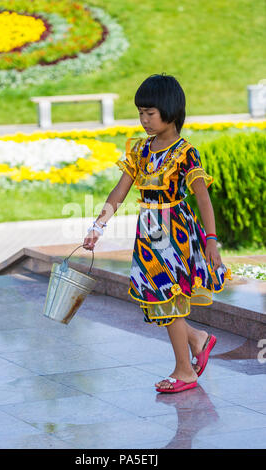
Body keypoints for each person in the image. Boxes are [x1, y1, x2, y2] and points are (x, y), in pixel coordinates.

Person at [83, 74, 232, 393]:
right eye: (140, 113)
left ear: (171, 111)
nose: (144, 119)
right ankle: (197, 339)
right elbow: (119, 192)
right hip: (149, 233)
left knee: (169, 299)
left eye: (150, 112)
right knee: (158, 299)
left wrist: (211, 241)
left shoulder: (185, 152)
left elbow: (202, 198)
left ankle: (184, 371)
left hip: (177, 233)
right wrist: (99, 225)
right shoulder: (139, 151)